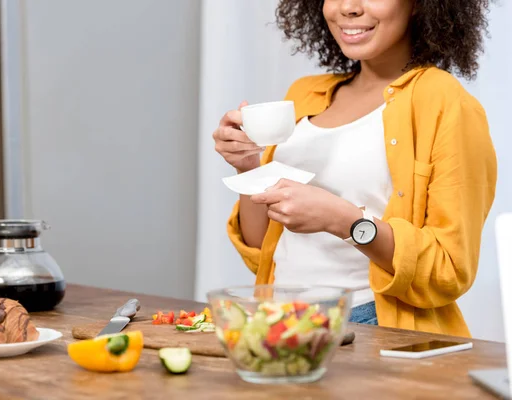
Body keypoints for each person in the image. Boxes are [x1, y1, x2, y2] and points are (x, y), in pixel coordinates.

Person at [213, 0, 497, 337]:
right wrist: (247, 165)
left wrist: (345, 221)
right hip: (280, 320)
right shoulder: (305, 94)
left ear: (420, 5)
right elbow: (263, 250)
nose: (348, 7)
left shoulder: (448, 104)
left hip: (371, 325)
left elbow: (448, 269)